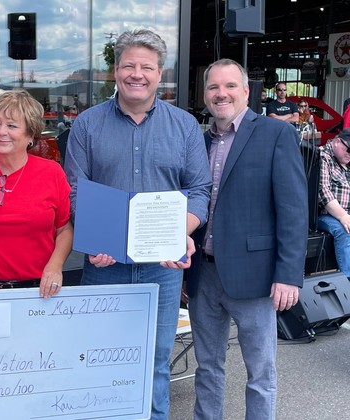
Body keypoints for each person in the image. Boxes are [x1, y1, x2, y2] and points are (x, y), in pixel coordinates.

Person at [64, 29, 212, 419]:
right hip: (104, 265)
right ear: (115, 70)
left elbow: (199, 189)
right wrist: (94, 238)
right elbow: (75, 190)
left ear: (160, 73)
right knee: (99, 356)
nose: (137, 74)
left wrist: (180, 231)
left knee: (156, 358)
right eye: (129, 65)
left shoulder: (184, 126)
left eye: (147, 67)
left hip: (162, 268)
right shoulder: (87, 125)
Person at [185, 59, 308, 419]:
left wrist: (288, 274)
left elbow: (293, 209)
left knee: (260, 373)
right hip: (203, 274)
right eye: (213, 87)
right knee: (208, 367)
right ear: (205, 94)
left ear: (245, 91)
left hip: (256, 275)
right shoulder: (198, 140)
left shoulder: (275, 134)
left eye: (229, 86)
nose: (221, 94)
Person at [0, 90, 73, 298]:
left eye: (11, 125)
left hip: (40, 292)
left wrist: (55, 266)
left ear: (30, 135)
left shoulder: (51, 173)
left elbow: (65, 229)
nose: (1, 132)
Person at [317, 129, 350, 278]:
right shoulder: (322, 156)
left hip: (345, 212)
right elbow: (323, 191)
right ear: (337, 141)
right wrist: (343, 216)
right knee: (344, 230)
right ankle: (348, 279)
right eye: (349, 150)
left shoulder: (346, 161)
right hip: (325, 214)